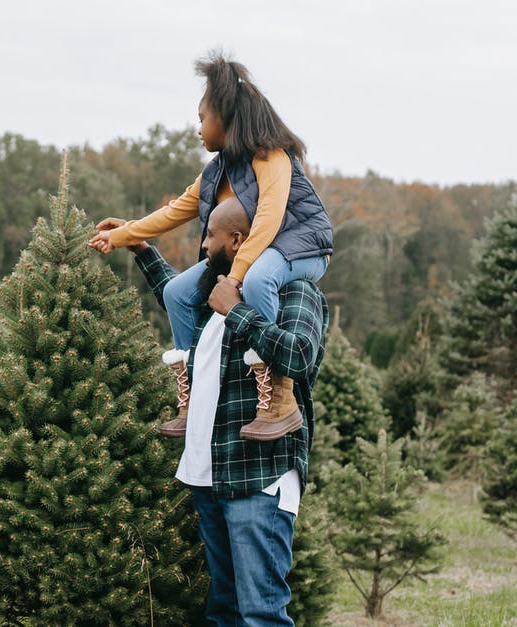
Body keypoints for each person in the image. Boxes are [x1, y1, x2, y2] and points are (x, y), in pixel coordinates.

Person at [88, 51, 332, 441]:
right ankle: (192, 399)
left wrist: (234, 279)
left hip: (301, 248)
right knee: (178, 292)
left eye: (202, 118)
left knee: (257, 282)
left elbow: (268, 223)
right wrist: (121, 236)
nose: (198, 127)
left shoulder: (271, 157)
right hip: (252, 254)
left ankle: (278, 400)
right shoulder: (215, 172)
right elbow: (173, 212)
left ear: (226, 118)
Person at [108, 198, 329, 625]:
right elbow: (176, 298)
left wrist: (239, 312)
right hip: (209, 473)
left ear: (238, 240)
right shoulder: (222, 293)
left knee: (260, 613)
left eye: (210, 236)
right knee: (223, 609)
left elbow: (300, 357)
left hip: (258, 476)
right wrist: (141, 248)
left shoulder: (292, 291)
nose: (204, 245)